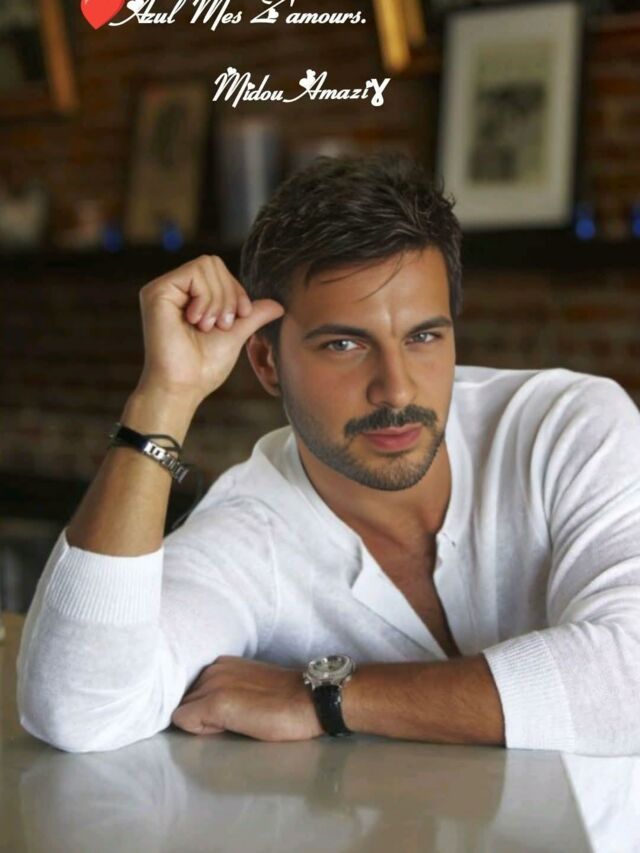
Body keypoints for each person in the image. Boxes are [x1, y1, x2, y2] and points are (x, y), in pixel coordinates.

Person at [17, 153, 640, 755]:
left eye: (423, 336)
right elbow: (79, 708)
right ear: (267, 362)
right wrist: (165, 397)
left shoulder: (566, 428)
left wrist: (325, 695)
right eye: (344, 344)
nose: (396, 390)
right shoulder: (250, 533)